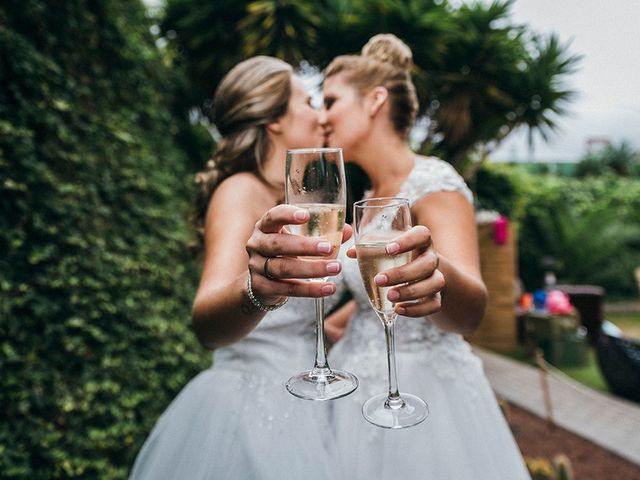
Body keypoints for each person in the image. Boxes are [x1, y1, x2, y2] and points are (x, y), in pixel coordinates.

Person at [129, 56, 350, 480]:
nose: (321, 116)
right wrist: (257, 290)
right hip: (254, 410)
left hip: (317, 403)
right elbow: (207, 326)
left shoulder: (304, 202)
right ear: (274, 121)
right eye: (307, 102)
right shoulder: (239, 191)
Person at [321, 34, 532, 479]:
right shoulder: (369, 197)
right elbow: (370, 297)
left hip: (424, 393)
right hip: (355, 392)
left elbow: (471, 310)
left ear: (375, 100)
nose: (322, 118)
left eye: (330, 101)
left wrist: (436, 269)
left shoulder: (434, 183)